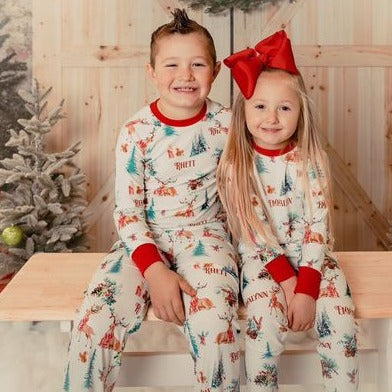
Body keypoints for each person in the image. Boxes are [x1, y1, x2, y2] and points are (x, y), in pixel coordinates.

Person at [63, 9, 241, 392]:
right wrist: (154, 271)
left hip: (206, 236)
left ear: (216, 71)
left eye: (198, 64)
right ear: (152, 72)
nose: (186, 75)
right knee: (95, 319)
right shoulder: (136, 132)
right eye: (172, 64)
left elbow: (246, 193)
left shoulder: (228, 126)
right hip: (142, 240)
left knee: (216, 325)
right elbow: (127, 211)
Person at [217, 30, 359, 391]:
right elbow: (253, 230)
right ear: (243, 110)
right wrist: (288, 282)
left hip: (314, 260)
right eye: (260, 106)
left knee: (341, 322)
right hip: (265, 264)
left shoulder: (310, 160)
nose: (272, 117)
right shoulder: (237, 164)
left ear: (300, 111)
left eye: (284, 107)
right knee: (263, 326)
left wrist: (308, 287)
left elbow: (318, 224)